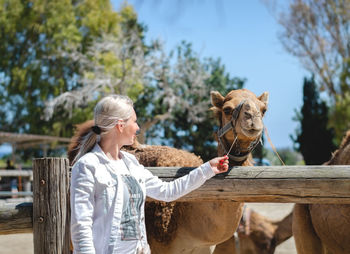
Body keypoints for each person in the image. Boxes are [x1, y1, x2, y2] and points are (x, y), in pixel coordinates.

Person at [70, 94, 229, 254]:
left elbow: (167, 191)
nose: (137, 127)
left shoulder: (130, 163)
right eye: (134, 121)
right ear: (120, 125)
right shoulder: (87, 166)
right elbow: (81, 226)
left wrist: (208, 168)